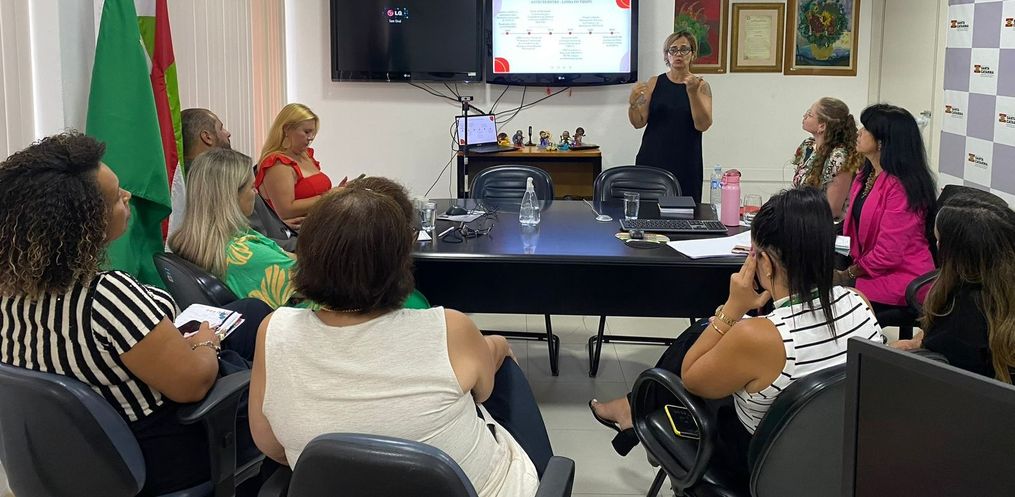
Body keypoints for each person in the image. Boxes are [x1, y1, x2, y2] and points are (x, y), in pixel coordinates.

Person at [0, 132, 271, 495]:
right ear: (82, 223)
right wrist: (206, 342)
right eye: (116, 197)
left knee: (249, 312)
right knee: (258, 356)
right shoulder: (105, 297)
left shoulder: (11, 294)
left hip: (79, 457)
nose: (128, 196)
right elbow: (194, 384)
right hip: (165, 455)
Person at [248, 179, 554, 497]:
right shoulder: (449, 328)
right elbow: (484, 391)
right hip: (483, 488)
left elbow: (272, 445)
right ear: (400, 259)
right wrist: (499, 345)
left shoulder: (274, 332)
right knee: (504, 370)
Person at [589, 188, 883, 480]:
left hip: (764, 465)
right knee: (702, 333)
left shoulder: (759, 336)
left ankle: (639, 415)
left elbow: (691, 377)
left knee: (696, 348)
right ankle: (632, 411)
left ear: (765, 262)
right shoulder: (859, 303)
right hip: (836, 458)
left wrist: (732, 308)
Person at [892, 190, 1015, 382]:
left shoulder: (961, 321)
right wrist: (918, 343)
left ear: (958, 255)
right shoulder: (997, 297)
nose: (937, 247)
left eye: (939, 241)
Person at [836, 104, 937, 313]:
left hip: (901, 278)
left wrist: (848, 275)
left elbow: (888, 253)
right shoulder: (866, 175)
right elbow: (852, 228)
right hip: (870, 269)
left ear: (882, 142)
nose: (859, 132)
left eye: (866, 129)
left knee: (827, 296)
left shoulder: (901, 187)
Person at [176, 108, 298, 251]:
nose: (228, 133)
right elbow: (253, 238)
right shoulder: (220, 178)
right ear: (207, 137)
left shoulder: (182, 180)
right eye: (221, 128)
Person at [630, 31, 713, 203]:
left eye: (684, 49)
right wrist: (632, 105)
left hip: (686, 163)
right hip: (652, 160)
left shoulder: (701, 86)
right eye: (673, 50)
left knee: (683, 213)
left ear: (692, 54)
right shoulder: (654, 82)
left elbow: (703, 125)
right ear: (667, 55)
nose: (678, 54)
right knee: (648, 212)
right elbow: (638, 122)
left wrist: (692, 93)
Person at [256, 103, 339, 219]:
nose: (311, 137)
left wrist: (338, 193)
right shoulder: (278, 164)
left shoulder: (306, 155)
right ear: (287, 129)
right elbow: (286, 210)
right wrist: (328, 197)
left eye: (313, 132)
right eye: (306, 132)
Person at [790, 97, 863, 220]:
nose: (804, 116)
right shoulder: (808, 146)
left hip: (825, 224)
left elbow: (832, 209)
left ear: (822, 126)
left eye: (810, 114)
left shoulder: (839, 157)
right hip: (803, 218)